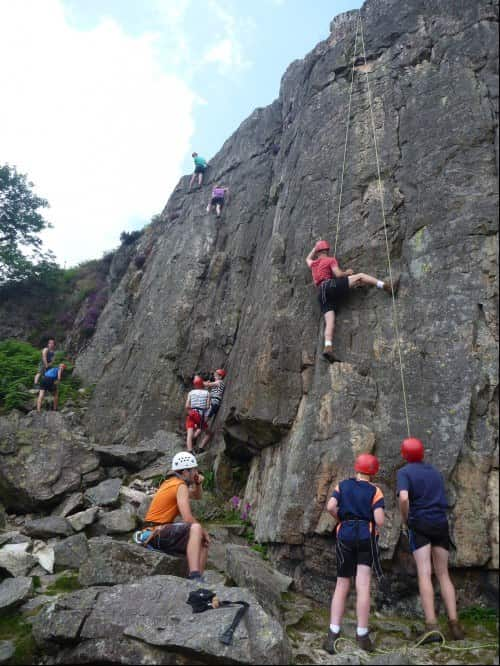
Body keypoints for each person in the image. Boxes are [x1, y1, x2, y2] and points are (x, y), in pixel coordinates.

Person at [397, 437, 465, 643]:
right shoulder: (435, 472)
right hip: (440, 523)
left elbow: (404, 498)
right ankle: (455, 625)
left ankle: (432, 626)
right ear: (423, 453)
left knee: (425, 573)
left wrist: (405, 518)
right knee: (443, 574)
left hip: (420, 524)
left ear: (404, 455)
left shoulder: (404, 472)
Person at [323, 454, 384, 654]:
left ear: (356, 468)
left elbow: (330, 506)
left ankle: (333, 635)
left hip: (345, 535)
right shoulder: (375, 491)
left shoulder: (343, 486)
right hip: (366, 536)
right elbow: (379, 520)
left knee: (342, 583)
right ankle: (362, 635)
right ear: (373, 472)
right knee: (363, 585)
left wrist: (341, 517)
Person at [306, 240, 399, 362]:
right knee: (360, 276)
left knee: (330, 321)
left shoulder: (313, 264)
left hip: (321, 293)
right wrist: (347, 272)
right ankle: (386, 286)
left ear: (317, 252)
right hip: (330, 286)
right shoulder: (330, 260)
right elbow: (338, 274)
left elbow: (307, 258)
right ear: (327, 251)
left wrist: (315, 248)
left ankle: (328, 347)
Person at [135, 451, 210, 581]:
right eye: (194, 469)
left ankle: (199, 582)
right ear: (185, 472)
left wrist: (197, 484)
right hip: (154, 533)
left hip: (152, 532)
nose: (196, 472)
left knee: (202, 541)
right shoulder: (180, 486)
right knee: (196, 528)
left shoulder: (170, 483)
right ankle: (195, 577)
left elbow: (197, 496)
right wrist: (204, 531)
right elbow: (187, 518)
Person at [198, 369, 226, 451]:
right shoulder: (216, 384)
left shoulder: (220, 382)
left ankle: (202, 439)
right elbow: (208, 387)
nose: (214, 375)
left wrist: (202, 382)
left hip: (213, 403)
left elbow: (209, 384)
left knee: (202, 422)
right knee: (202, 422)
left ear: (220, 376)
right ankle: (201, 446)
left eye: (216, 374)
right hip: (211, 403)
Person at [185, 375, 211, 452]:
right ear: (202, 383)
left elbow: (187, 406)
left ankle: (190, 451)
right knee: (209, 433)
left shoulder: (191, 392)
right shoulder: (207, 393)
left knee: (189, 434)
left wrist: (192, 409)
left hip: (191, 413)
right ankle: (200, 448)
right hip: (200, 414)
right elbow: (208, 406)